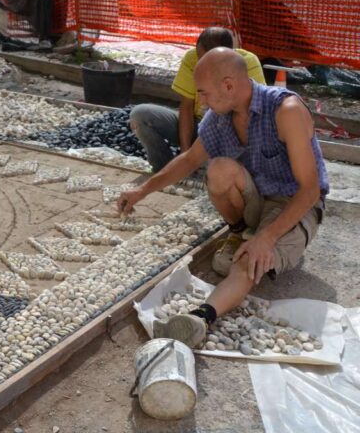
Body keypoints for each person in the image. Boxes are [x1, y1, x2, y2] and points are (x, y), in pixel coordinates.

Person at [117, 47, 328, 348]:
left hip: (293, 204)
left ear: (229, 85)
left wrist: (266, 237)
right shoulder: (221, 116)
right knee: (218, 170)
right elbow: (190, 160)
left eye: (203, 93)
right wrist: (143, 190)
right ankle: (241, 231)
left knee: (247, 262)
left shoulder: (286, 111)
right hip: (259, 198)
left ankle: (200, 318)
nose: (200, 101)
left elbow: (310, 191)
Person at [129, 27, 266, 172]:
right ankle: (165, 169)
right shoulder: (191, 58)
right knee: (140, 116)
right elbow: (186, 106)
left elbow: (251, 115)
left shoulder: (247, 63)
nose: (201, 63)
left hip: (228, 131)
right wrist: (185, 153)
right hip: (197, 125)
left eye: (207, 59)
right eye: (200, 57)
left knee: (218, 171)